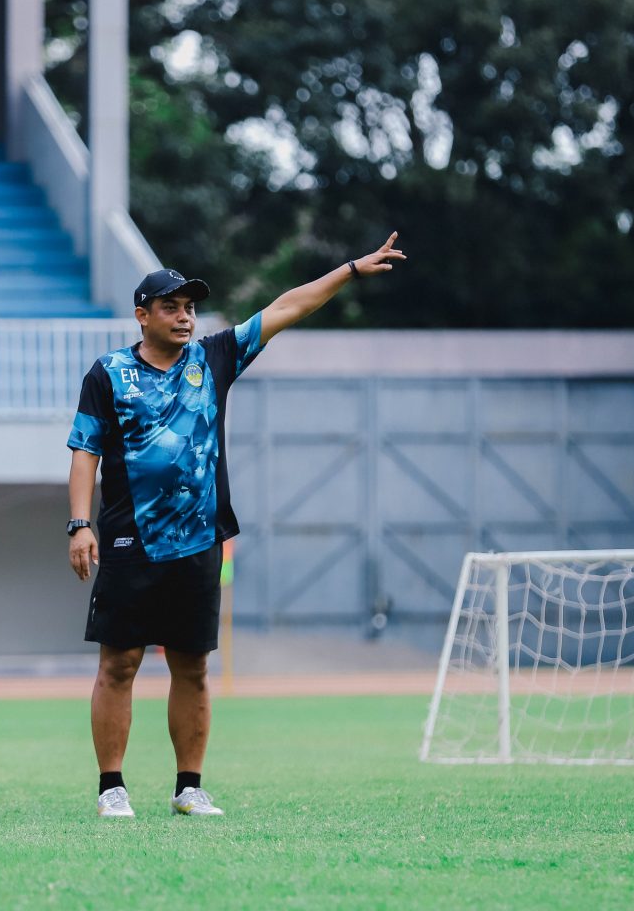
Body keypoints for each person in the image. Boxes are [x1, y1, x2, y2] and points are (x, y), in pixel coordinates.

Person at [65, 233, 408, 818]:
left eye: (190, 307)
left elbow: (287, 306)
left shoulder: (214, 358)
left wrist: (350, 270)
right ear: (142, 315)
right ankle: (111, 788)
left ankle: (188, 787)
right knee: (119, 665)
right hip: (128, 540)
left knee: (192, 666)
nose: (185, 317)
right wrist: (79, 523)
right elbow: (84, 450)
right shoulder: (109, 373)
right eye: (171, 307)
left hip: (200, 541)